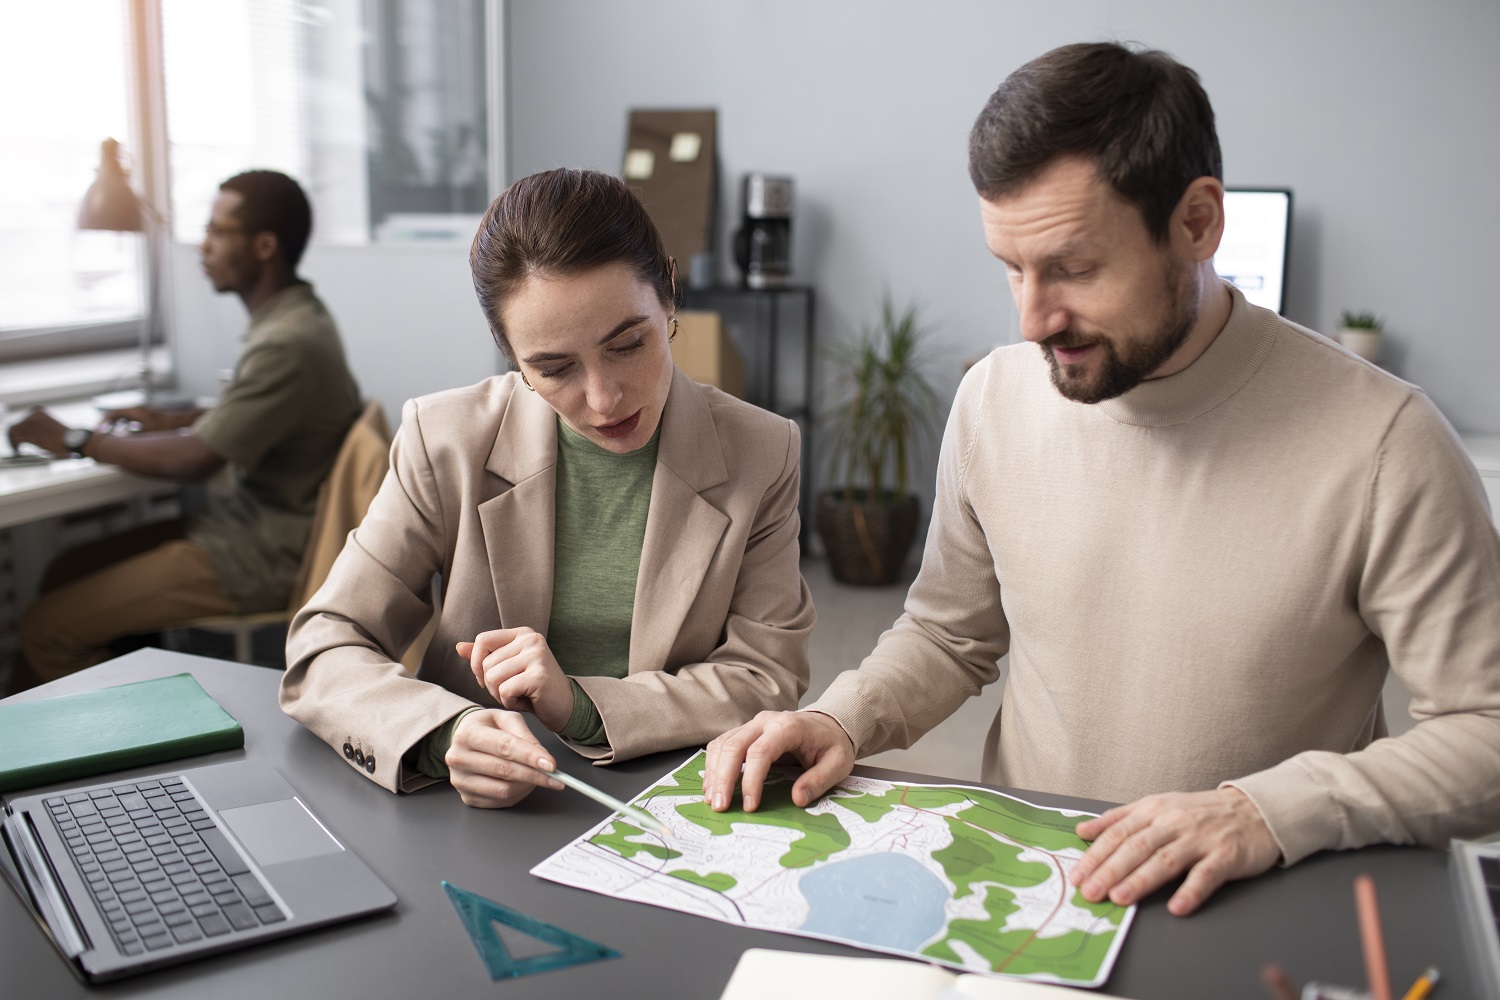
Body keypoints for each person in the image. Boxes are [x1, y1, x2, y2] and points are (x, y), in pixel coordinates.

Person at [703, 42, 1500, 917]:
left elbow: (1486, 731)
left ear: (1197, 223)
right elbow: (948, 635)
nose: (1033, 317)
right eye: (1011, 267)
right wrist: (842, 719)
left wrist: (1266, 812)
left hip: (1254, 897)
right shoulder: (993, 399)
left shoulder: (1387, 443)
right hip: (1041, 896)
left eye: (1075, 269)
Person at [280, 168, 814, 807]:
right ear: (509, 353)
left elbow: (766, 677)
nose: (602, 398)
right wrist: (442, 732)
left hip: (672, 798)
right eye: (553, 368)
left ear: (669, 291)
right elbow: (325, 643)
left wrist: (582, 706)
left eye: (628, 345)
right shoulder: (446, 439)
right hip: (476, 806)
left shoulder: (762, 451)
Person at [8, 169, 360, 690]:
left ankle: (111, 749)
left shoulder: (287, 340)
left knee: (44, 630)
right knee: (67, 568)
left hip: (254, 554)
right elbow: (256, 417)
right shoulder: (295, 318)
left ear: (265, 246)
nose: (204, 246)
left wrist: (78, 439)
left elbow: (197, 459)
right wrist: (172, 420)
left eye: (218, 232)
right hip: (240, 527)